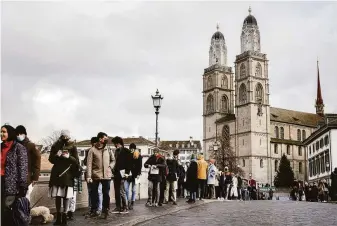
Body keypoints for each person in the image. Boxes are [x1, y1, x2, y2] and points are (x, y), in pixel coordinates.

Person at [48, 130, 79, 226]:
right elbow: (51, 159)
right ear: (61, 137)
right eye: (63, 137)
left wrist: (69, 157)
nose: (65, 139)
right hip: (57, 174)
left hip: (68, 174)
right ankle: (59, 216)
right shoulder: (55, 146)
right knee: (58, 196)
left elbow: (76, 161)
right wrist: (56, 155)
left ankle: (64, 216)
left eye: (67, 137)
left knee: (66, 196)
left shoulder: (73, 146)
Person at [1, 124, 29, 226]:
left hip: (11, 185)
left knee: (9, 213)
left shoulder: (19, 148)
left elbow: (22, 167)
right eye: (1, 131)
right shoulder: (1, 147)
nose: (1, 134)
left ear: (10, 133)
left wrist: (22, 185)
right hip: (1, 182)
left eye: (4, 132)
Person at [86, 132, 115, 219]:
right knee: (94, 194)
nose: (107, 140)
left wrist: (110, 166)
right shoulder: (92, 150)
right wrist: (89, 176)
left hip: (106, 175)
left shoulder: (108, 149)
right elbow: (89, 164)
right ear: (100, 139)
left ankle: (105, 210)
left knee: (106, 193)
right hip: (95, 175)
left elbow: (113, 160)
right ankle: (94, 211)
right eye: (105, 138)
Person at [15, 125, 41, 202]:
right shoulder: (14, 145)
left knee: (26, 197)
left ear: (25, 134)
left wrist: (35, 177)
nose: (19, 136)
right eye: (17, 134)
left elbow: (37, 160)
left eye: (21, 133)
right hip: (16, 176)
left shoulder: (31, 145)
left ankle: (26, 213)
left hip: (27, 176)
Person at [111, 136, 133, 214]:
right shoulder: (116, 151)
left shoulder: (126, 151)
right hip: (116, 174)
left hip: (122, 174)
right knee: (117, 191)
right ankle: (118, 207)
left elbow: (129, 163)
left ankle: (125, 207)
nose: (114, 145)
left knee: (121, 191)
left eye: (114, 143)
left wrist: (127, 173)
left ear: (117, 143)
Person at [83, 137, 102, 217]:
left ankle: (98, 208)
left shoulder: (100, 151)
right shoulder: (89, 151)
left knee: (97, 192)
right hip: (90, 175)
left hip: (97, 175)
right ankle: (92, 209)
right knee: (92, 192)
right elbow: (85, 162)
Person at [124, 143, 142, 210]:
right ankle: (128, 202)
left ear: (134, 149)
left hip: (135, 175)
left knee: (133, 190)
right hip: (128, 175)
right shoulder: (127, 155)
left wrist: (138, 174)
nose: (131, 150)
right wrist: (125, 173)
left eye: (132, 149)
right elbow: (125, 164)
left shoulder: (138, 155)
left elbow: (140, 166)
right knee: (126, 189)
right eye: (130, 148)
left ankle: (132, 202)